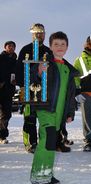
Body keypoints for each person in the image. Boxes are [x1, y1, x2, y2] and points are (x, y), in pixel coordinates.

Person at [30, 31, 78, 184]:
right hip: (45, 109)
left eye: (63, 44)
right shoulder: (45, 63)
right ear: (50, 46)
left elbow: (70, 94)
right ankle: (40, 178)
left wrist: (70, 112)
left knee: (51, 142)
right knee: (47, 140)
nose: (59, 47)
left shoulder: (68, 69)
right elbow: (32, 80)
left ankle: (46, 173)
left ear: (67, 47)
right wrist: (38, 72)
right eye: (56, 44)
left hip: (59, 113)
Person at [16, 23, 52, 153]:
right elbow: (19, 69)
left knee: (44, 118)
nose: (39, 35)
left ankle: (43, 142)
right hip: (28, 90)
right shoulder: (25, 49)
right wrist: (21, 86)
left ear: (44, 34)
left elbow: (53, 71)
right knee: (29, 118)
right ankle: (31, 143)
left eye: (41, 33)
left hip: (44, 91)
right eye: (36, 33)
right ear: (32, 34)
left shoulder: (48, 51)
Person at [0, 41, 17, 144]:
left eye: (12, 46)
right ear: (5, 47)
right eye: (9, 46)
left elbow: (18, 73)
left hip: (9, 91)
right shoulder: (0, 58)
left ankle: (2, 136)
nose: (11, 48)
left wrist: (17, 81)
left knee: (7, 114)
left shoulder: (16, 61)